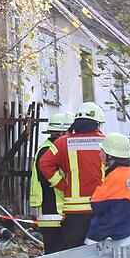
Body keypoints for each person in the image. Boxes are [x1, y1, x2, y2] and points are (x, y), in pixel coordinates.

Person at [38, 102, 106, 250]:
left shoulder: (63, 142)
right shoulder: (106, 141)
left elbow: (44, 163)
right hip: (102, 207)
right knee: (101, 250)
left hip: (74, 211)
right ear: (97, 124)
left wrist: (61, 184)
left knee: (74, 252)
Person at [31, 112, 70, 258]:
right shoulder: (51, 151)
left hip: (52, 212)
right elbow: (52, 181)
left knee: (58, 257)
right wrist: (66, 187)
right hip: (53, 212)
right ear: (62, 132)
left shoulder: (47, 148)